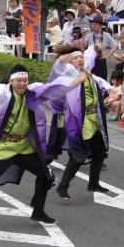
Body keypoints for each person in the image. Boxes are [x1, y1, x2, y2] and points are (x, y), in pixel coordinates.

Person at [0, 59, 85, 225]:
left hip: (25, 147)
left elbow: (53, 89)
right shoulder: (2, 92)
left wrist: (76, 80)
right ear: (10, 81)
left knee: (45, 176)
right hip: (4, 147)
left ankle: (38, 211)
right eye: (18, 81)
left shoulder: (33, 92)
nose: (22, 84)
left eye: (24, 80)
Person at [50, 48, 112, 201]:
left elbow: (101, 88)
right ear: (70, 62)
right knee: (78, 155)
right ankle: (62, 187)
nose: (79, 60)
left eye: (81, 57)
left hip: (94, 119)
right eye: (75, 58)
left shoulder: (89, 74)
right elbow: (57, 94)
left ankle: (94, 183)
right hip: (79, 120)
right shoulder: (68, 77)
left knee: (99, 151)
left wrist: (110, 97)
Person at [82, 15, 118, 80]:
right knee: (91, 79)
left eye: (95, 24)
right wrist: (83, 35)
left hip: (101, 59)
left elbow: (115, 45)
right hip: (90, 60)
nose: (93, 26)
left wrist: (108, 55)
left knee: (102, 79)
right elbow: (83, 46)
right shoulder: (89, 35)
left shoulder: (106, 35)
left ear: (101, 25)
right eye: (92, 24)